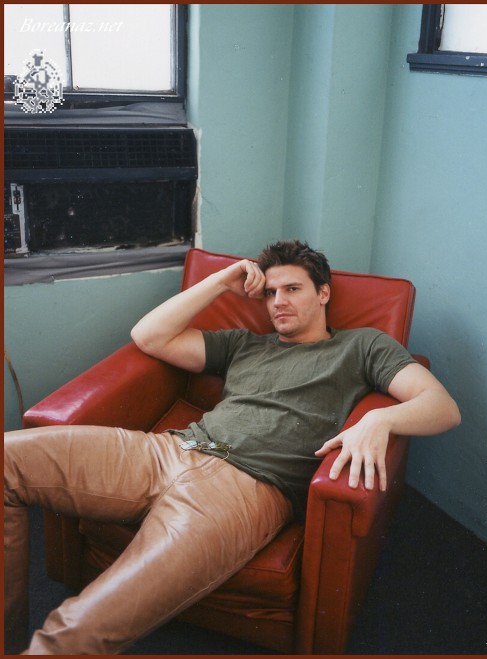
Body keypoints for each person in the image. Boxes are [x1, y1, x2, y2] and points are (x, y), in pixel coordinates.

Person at [4, 240, 461, 655]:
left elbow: (442, 407)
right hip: (168, 450)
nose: (278, 301)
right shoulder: (245, 344)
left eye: (293, 289)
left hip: (244, 489)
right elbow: (149, 336)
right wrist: (222, 281)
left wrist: (380, 419)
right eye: (270, 292)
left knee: (81, 628)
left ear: (323, 293)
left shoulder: (362, 346)